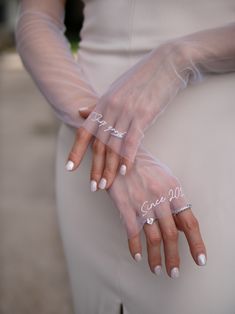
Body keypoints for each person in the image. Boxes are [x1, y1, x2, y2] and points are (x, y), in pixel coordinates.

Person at [15, 0, 235, 313]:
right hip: (85, 137)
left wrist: (179, 58)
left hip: (207, 148)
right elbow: (36, 17)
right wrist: (99, 133)